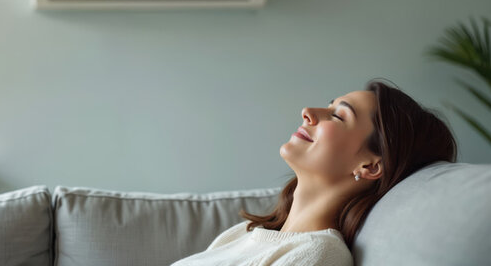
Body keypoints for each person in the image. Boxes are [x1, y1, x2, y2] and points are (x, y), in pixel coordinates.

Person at [171, 80, 458, 265]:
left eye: (337, 115)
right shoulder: (245, 235)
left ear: (370, 166)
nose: (308, 111)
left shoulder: (318, 256)